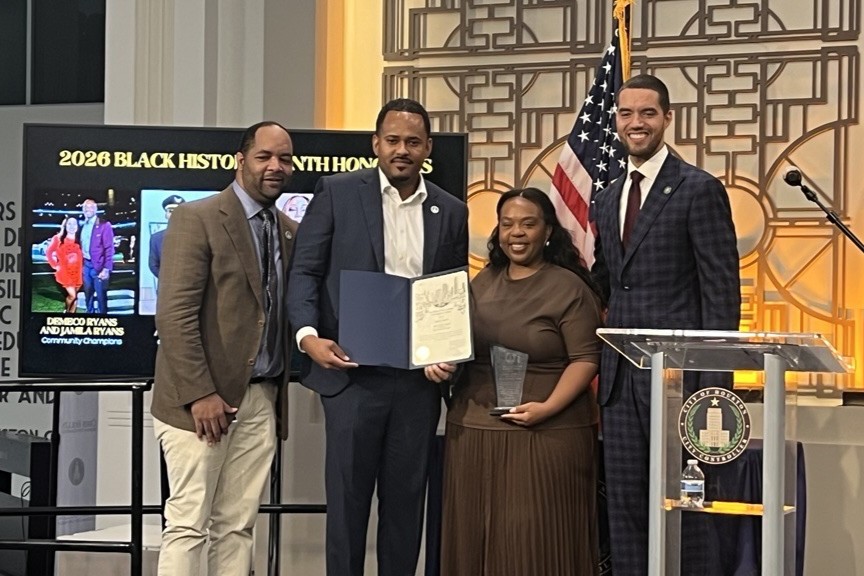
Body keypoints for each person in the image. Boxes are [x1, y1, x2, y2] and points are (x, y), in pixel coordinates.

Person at [287, 98, 468, 576]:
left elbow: (450, 292)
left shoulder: (449, 210)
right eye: (393, 141)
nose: (402, 150)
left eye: (413, 142)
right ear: (376, 144)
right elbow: (304, 271)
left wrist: (447, 354)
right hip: (350, 377)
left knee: (406, 511)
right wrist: (308, 338)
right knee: (346, 511)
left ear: (428, 148)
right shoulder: (338, 192)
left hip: (416, 384)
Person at [590, 74, 741, 576]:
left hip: (681, 383)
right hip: (619, 380)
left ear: (667, 119)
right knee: (628, 506)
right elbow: (607, 282)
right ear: (615, 121)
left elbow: (721, 294)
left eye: (647, 113)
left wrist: (714, 389)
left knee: (687, 506)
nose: (637, 123)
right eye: (627, 114)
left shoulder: (698, 189)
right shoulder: (606, 197)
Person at [425, 188, 604, 575]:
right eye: (507, 224)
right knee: (477, 539)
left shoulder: (570, 287)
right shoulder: (481, 282)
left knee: (533, 542)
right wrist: (439, 362)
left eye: (528, 224)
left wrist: (547, 408)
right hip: (473, 432)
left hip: (547, 433)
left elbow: (586, 358)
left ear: (548, 232)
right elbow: (458, 345)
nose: (516, 233)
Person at [150, 122, 298, 576]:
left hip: (261, 399)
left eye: (285, 159)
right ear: (241, 159)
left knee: (237, 527)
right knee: (188, 524)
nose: (276, 167)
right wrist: (200, 394)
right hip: (201, 402)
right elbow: (174, 317)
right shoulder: (196, 218)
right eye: (265, 157)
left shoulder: (289, 229)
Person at [79, 198, 115, 313]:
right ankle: (90, 317)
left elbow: (109, 249)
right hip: (86, 265)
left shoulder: (105, 225)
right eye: (85, 207)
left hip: (99, 267)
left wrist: (106, 269)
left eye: (90, 207)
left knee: (101, 297)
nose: (87, 209)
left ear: (95, 209)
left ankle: (103, 320)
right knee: (87, 294)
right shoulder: (82, 225)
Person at [46, 216, 84, 313]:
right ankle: (68, 312)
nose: (72, 226)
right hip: (65, 273)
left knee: (75, 297)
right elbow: (49, 253)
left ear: (78, 226)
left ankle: (69, 314)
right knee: (73, 295)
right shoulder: (58, 239)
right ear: (65, 226)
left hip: (78, 273)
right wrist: (55, 265)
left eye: (74, 224)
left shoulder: (81, 239)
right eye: (69, 224)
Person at [149, 194, 185, 279]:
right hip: (166, 287)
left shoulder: (195, 236)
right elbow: (153, 265)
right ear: (166, 214)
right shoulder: (156, 238)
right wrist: (168, 281)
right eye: (171, 211)